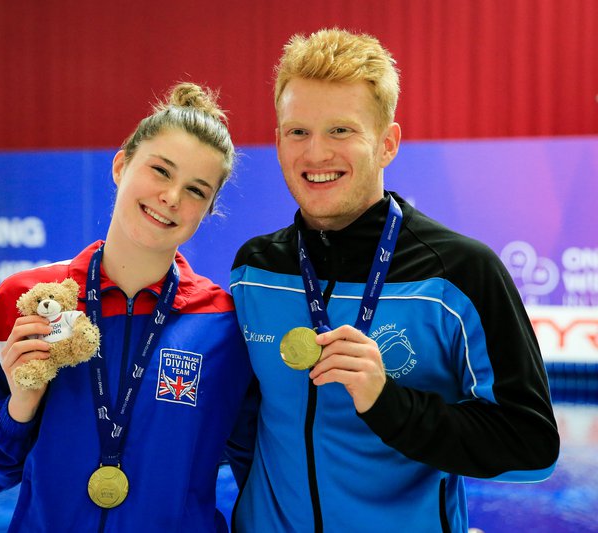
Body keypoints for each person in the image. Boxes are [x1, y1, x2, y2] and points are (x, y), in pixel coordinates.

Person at [227, 28, 559, 532]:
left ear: (387, 144)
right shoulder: (255, 271)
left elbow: (532, 447)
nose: (315, 154)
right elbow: (240, 425)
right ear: (277, 141)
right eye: (298, 132)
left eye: (341, 130)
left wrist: (389, 404)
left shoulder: (459, 276)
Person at [0, 82, 252, 532]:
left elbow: (258, 465)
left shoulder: (224, 326)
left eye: (196, 190)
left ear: (208, 209)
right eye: (161, 171)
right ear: (120, 165)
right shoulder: (26, 301)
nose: (172, 197)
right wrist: (21, 407)